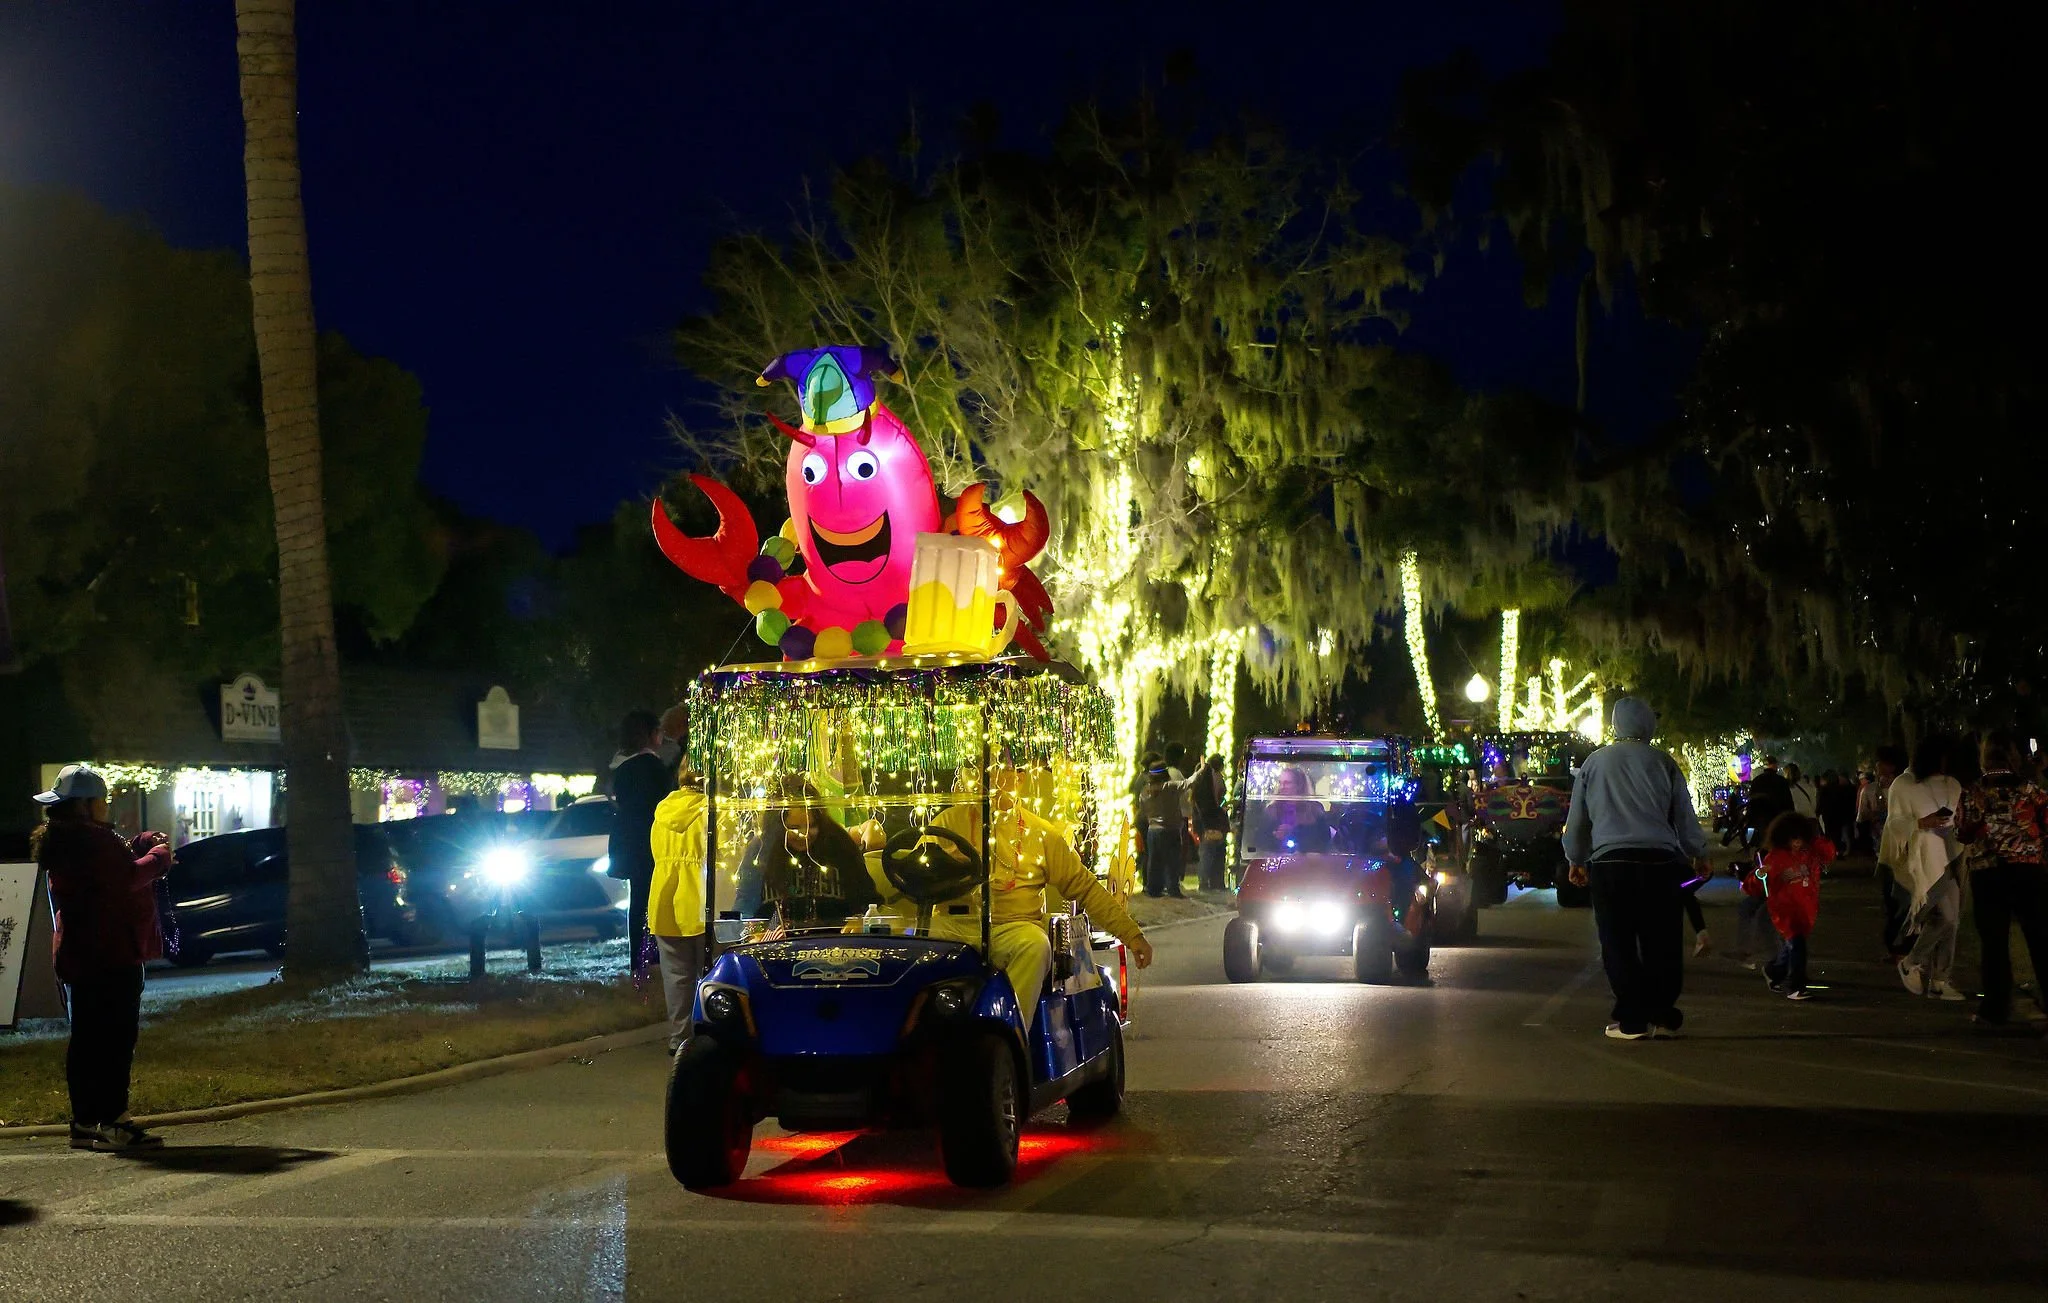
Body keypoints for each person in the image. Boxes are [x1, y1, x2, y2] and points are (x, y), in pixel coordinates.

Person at [934, 768, 1153, 1031]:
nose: (987, 777)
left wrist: (1131, 934)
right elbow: (910, 877)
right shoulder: (946, 823)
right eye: (980, 768)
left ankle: (1007, 1036)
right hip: (953, 927)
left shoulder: (1039, 833)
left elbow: (1085, 887)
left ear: (1019, 778)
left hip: (1013, 929)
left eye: (997, 768)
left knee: (1036, 947)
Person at [32, 765, 174, 1152]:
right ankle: (115, 1123)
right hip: (113, 953)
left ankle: (84, 1123)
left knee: (86, 1042)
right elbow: (127, 877)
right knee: (115, 1040)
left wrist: (139, 842)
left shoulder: (63, 842)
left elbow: (113, 870)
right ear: (86, 805)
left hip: (80, 954)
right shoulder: (94, 842)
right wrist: (160, 856)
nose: (105, 806)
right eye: (101, 800)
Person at [1561, 698, 1712, 1040]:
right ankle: (1661, 1013)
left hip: (1610, 863)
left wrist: (1576, 859)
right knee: (1663, 941)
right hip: (1660, 862)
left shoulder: (1593, 764)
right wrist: (1698, 852)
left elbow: (1578, 819)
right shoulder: (1664, 762)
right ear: (1647, 724)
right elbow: (1684, 814)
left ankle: (1631, 1020)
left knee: (1618, 943)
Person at [1955, 731, 2048, 1026]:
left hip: (1988, 872)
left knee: (1994, 944)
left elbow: (1963, 831)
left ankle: (1995, 1009)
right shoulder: (2031, 791)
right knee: (2040, 940)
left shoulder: (1973, 792)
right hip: (2029, 871)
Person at [1886, 738, 1965, 1001]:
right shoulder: (1904, 785)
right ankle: (1912, 963)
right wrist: (1921, 822)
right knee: (1945, 916)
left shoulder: (1952, 784)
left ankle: (1940, 980)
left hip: (1951, 853)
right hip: (1924, 859)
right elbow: (1895, 823)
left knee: (1951, 921)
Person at [609, 710, 675, 979]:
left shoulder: (622, 767)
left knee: (638, 900)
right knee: (651, 901)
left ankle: (639, 957)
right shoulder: (651, 767)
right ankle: (650, 956)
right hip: (650, 842)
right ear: (649, 734)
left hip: (630, 842)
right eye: (658, 731)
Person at [648, 762, 708, 1051]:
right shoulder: (714, 811)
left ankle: (679, 1039)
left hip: (665, 900)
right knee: (710, 975)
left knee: (675, 977)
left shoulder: (663, 811)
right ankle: (711, 1036)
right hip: (702, 901)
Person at [1753, 812, 1834, 1000]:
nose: (1797, 842)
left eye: (1800, 838)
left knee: (1792, 947)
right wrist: (1759, 875)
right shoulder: (1775, 858)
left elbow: (1828, 854)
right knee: (1797, 944)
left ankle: (1774, 971)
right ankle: (1795, 986)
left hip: (1805, 909)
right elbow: (1757, 884)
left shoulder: (1809, 854)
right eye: (1793, 838)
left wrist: (1815, 838)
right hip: (1785, 910)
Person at [1865, 747, 1908, 949]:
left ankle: (1899, 942)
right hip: (1884, 848)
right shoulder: (1873, 789)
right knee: (1891, 898)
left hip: (1903, 849)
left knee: (1900, 897)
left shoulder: (1904, 787)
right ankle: (1894, 943)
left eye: (1880, 763)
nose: (1876, 767)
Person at [1138, 756, 1187, 898]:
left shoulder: (1145, 791)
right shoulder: (1170, 787)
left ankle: (1153, 889)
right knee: (1172, 860)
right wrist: (1200, 772)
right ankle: (1173, 888)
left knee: (1154, 861)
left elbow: (1142, 809)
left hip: (1153, 829)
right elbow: (1188, 784)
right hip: (1170, 828)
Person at [1189, 753, 1230, 892]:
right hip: (1212, 822)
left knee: (1208, 853)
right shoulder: (1214, 778)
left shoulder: (1203, 779)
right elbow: (1218, 800)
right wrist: (1223, 806)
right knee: (1210, 853)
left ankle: (1207, 882)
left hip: (1207, 822)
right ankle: (1210, 883)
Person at [1744, 756, 1794, 850]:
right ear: (1775, 765)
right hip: (1779, 818)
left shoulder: (1757, 781)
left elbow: (1752, 801)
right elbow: (1788, 801)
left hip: (1761, 818)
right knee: (1779, 844)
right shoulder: (1781, 781)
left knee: (1764, 844)